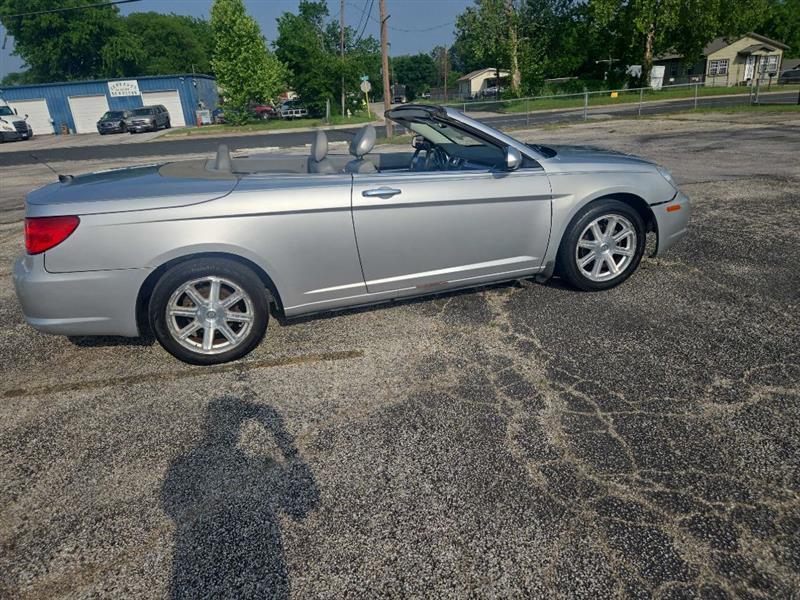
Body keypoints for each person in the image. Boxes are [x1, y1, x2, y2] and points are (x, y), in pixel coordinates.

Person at [162, 396, 318, 599]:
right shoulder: (262, 464)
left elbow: (171, 505)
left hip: (195, 568)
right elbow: (302, 506)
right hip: (261, 566)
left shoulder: (181, 466)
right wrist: (283, 439)